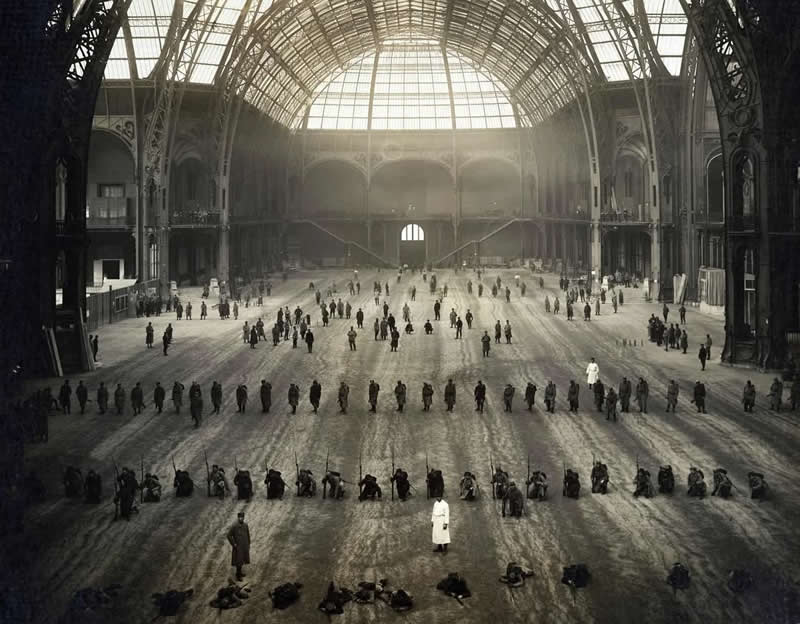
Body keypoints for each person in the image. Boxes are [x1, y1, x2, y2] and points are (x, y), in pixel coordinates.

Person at [227, 512, 251, 581]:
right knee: (239, 561)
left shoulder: (245, 525)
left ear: (244, 517)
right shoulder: (234, 526)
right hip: (238, 547)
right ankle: (238, 575)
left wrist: (248, 543)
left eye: (242, 517)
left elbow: (248, 535)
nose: (241, 518)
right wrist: (234, 544)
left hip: (245, 546)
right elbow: (228, 535)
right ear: (238, 517)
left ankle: (240, 573)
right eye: (240, 517)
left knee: (242, 560)